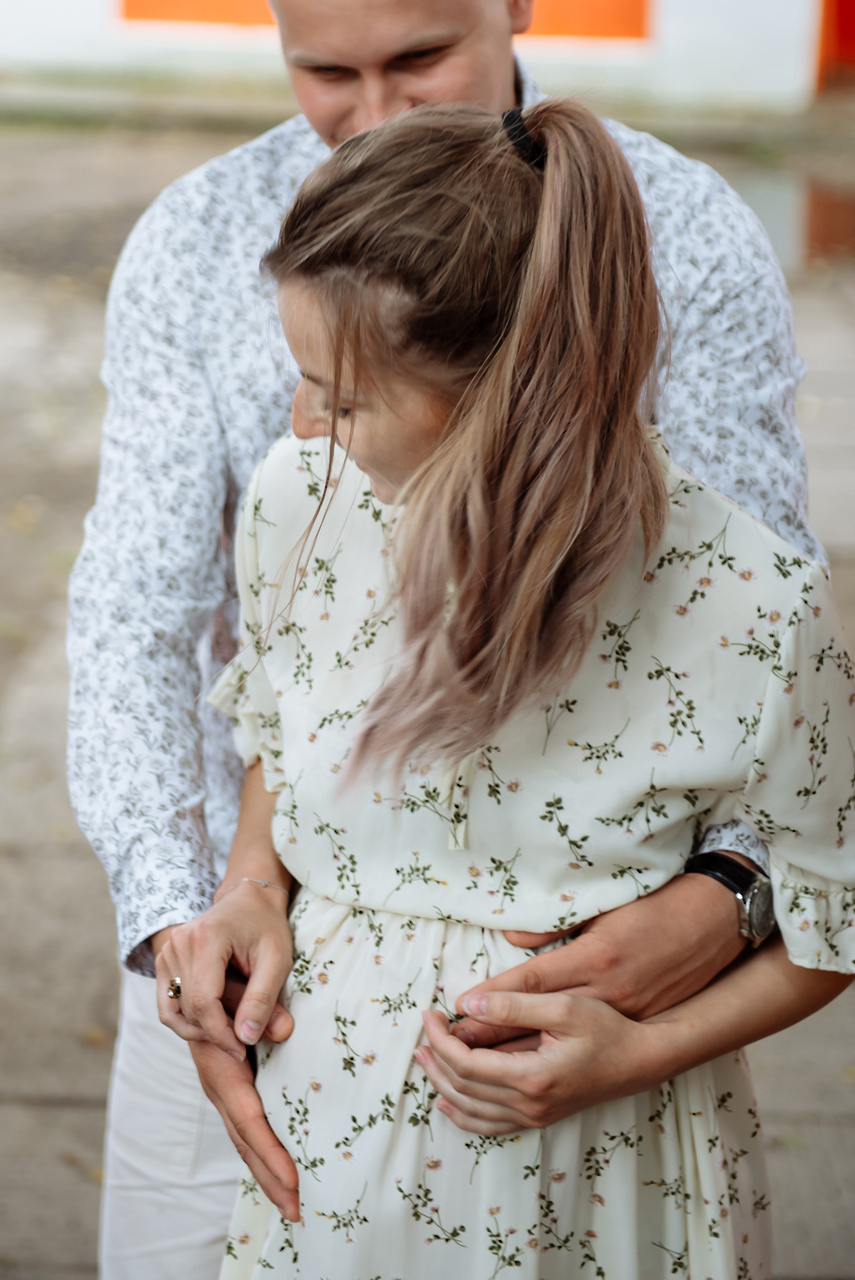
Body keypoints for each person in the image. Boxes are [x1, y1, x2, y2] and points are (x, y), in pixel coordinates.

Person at [66, 1, 824, 1274]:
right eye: (325, 71)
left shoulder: (677, 232)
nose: (376, 113)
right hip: (253, 960)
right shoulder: (202, 254)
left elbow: (764, 703)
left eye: (420, 59)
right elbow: (150, 629)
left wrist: (726, 898)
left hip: (568, 1005)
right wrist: (192, 914)